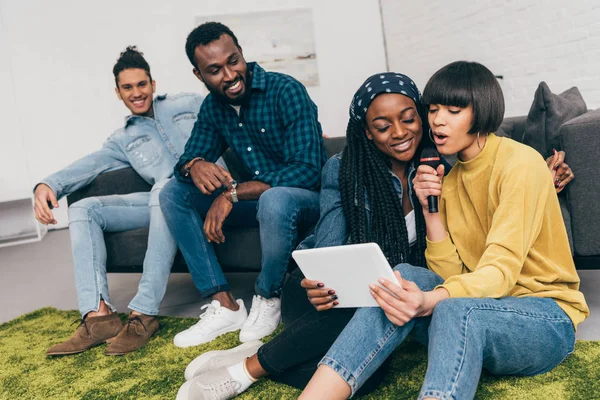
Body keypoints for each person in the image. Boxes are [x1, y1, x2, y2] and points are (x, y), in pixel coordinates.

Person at [298, 61, 589, 400]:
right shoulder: (447, 180)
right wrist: (430, 212)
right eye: (433, 109)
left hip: (544, 317)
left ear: (481, 112)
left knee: (451, 307)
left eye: (453, 110)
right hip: (478, 310)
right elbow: (451, 274)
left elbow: (501, 272)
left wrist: (431, 301)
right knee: (399, 280)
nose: (437, 120)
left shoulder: (520, 164)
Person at [175, 72, 443, 400]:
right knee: (362, 307)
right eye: (384, 126)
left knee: (371, 376)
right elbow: (329, 246)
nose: (400, 133)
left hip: (386, 304)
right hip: (321, 301)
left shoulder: (438, 168)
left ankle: (260, 355)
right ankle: (243, 371)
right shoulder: (345, 168)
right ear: (368, 133)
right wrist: (319, 283)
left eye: (408, 119)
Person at [159, 22, 327, 347]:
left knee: (275, 199)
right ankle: (224, 304)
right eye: (215, 70)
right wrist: (195, 165)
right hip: (259, 204)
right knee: (173, 193)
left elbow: (309, 171)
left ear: (241, 52)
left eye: (233, 60)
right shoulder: (213, 108)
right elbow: (188, 159)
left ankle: (267, 296)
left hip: (303, 202)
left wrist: (232, 194)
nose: (229, 74)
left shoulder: (286, 90)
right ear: (199, 76)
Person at [37, 46, 204, 356]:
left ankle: (143, 314)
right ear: (118, 93)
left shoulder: (190, 103)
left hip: (204, 192)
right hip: (162, 203)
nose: (136, 93)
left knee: (164, 189)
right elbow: (90, 164)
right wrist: (49, 184)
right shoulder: (122, 138)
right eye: (127, 87)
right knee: (84, 209)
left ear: (153, 84)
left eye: (142, 84)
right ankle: (99, 316)